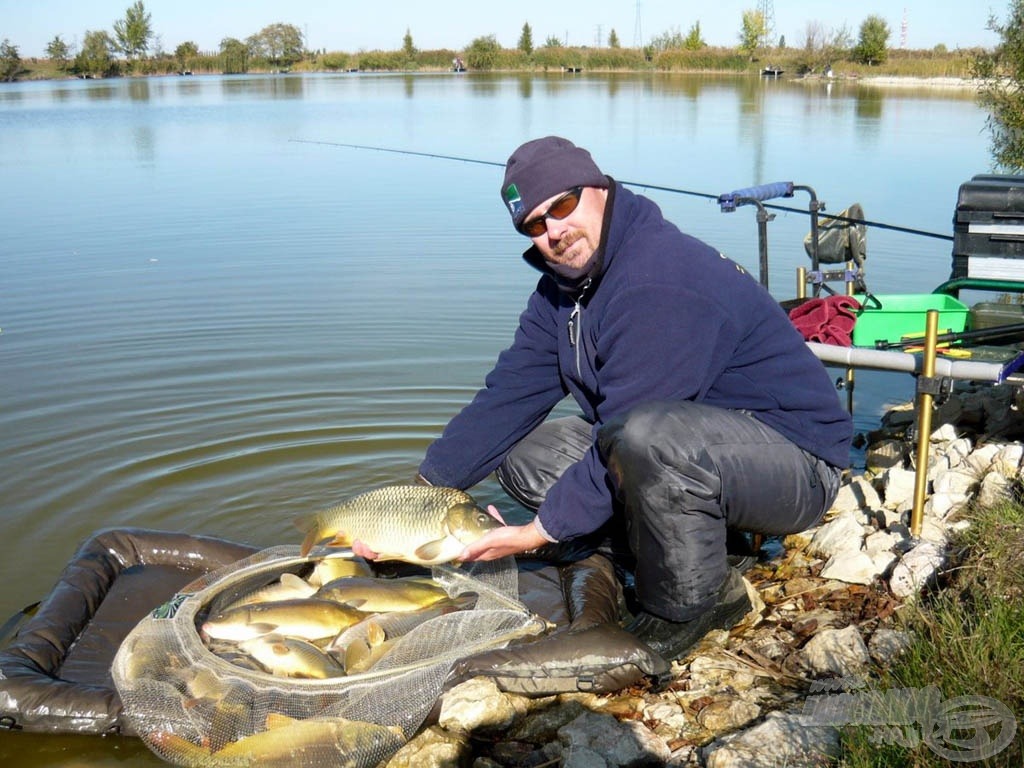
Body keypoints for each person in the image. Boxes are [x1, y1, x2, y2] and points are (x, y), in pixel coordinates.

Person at [394, 136, 851, 661]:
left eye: (562, 207)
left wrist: (537, 533)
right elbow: (509, 396)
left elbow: (637, 429)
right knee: (526, 451)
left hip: (795, 463)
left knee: (646, 438)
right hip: (697, 450)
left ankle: (699, 601)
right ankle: (654, 542)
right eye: (534, 225)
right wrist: (419, 495)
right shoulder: (562, 289)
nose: (554, 232)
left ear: (599, 188)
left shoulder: (659, 279)